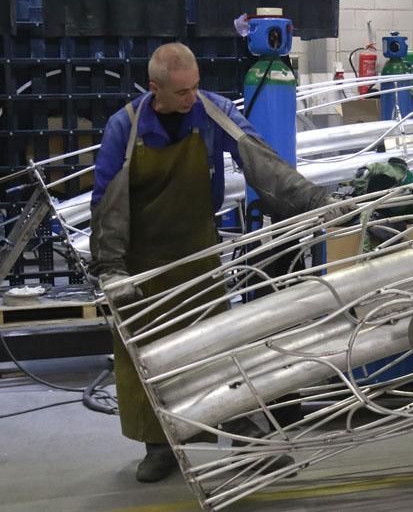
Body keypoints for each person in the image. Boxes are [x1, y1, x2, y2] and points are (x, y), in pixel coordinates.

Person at [90, 42, 340, 482]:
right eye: (182, 92)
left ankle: (247, 444)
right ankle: (161, 447)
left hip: (196, 255)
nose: (191, 98)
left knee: (217, 352)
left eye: (196, 87)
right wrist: (111, 269)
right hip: (140, 264)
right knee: (147, 360)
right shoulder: (124, 128)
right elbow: (107, 204)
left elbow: (261, 161)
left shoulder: (212, 111)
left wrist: (315, 201)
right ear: (155, 90)